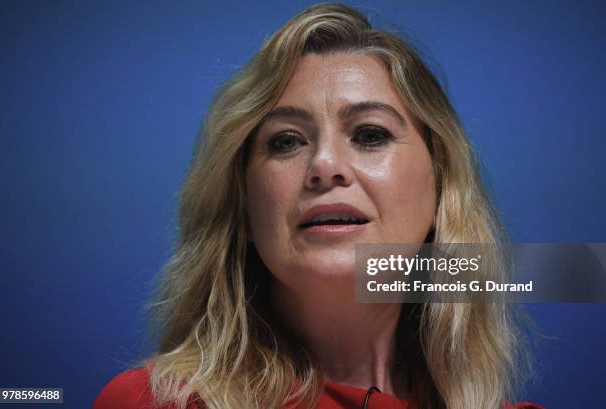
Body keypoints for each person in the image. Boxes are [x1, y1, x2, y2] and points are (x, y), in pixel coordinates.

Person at [93, 3, 544, 409]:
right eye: (286, 141)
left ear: (441, 192)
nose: (325, 165)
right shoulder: (156, 402)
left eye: (370, 135)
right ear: (245, 209)